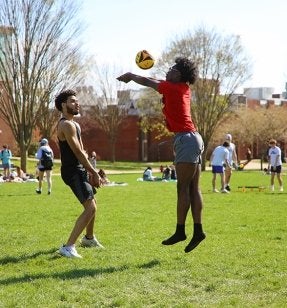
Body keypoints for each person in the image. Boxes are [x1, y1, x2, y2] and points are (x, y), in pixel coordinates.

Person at [117, 57, 205, 253]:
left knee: (182, 188)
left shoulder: (171, 88)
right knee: (193, 188)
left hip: (185, 140)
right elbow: (156, 79)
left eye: (172, 69)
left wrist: (131, 76)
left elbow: (150, 82)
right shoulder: (183, 88)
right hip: (194, 139)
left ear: (180, 75)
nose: (168, 71)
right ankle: (197, 231)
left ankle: (181, 231)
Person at [55, 89, 104, 258]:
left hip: (80, 169)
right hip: (72, 171)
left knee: (93, 204)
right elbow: (77, 152)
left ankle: (89, 239)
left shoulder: (75, 124)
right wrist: (94, 172)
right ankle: (68, 247)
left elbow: (82, 151)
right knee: (90, 208)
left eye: (77, 101)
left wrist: (89, 171)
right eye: (73, 101)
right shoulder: (65, 125)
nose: (77, 103)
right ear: (63, 105)